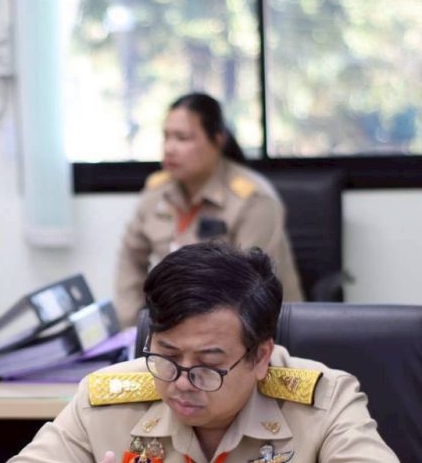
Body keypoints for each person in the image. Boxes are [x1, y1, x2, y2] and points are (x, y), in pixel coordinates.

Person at [0, 241, 415, 463]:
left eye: (208, 364)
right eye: (166, 355)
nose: (181, 382)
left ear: (261, 356)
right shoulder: (106, 399)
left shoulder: (322, 399)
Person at [114, 93, 303, 326]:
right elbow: (131, 258)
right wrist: (133, 327)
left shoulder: (253, 199)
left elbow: (251, 290)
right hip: (176, 326)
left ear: (218, 140)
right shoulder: (156, 191)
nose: (169, 148)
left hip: (253, 329)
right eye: (166, 137)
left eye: (182, 138)